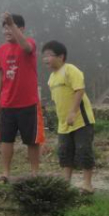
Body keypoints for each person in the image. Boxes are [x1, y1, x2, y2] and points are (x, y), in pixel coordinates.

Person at [42, 40, 95, 193]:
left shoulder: (70, 70)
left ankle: (87, 184)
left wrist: (72, 112)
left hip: (80, 120)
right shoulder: (51, 78)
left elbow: (79, 90)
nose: (45, 59)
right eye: (44, 56)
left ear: (61, 56)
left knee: (83, 150)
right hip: (63, 123)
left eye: (49, 55)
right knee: (65, 152)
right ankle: (65, 184)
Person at [0, 13, 40, 183]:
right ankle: (5, 173)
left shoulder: (29, 44)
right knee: (5, 139)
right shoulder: (0, 51)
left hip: (28, 102)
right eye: (4, 27)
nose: (7, 31)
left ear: (21, 28)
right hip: (7, 103)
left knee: (32, 141)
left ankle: (35, 174)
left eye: (11, 27)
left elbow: (27, 48)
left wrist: (12, 24)